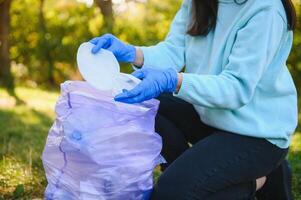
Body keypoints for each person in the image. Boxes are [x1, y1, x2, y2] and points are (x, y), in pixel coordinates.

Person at [89, 0, 298, 199]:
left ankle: (260, 180)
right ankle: (186, 171)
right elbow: (174, 51)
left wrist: (173, 80)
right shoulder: (199, 2)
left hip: (256, 133)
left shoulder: (266, 9)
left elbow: (236, 88)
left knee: (169, 195)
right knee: (146, 103)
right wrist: (132, 53)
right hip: (212, 117)